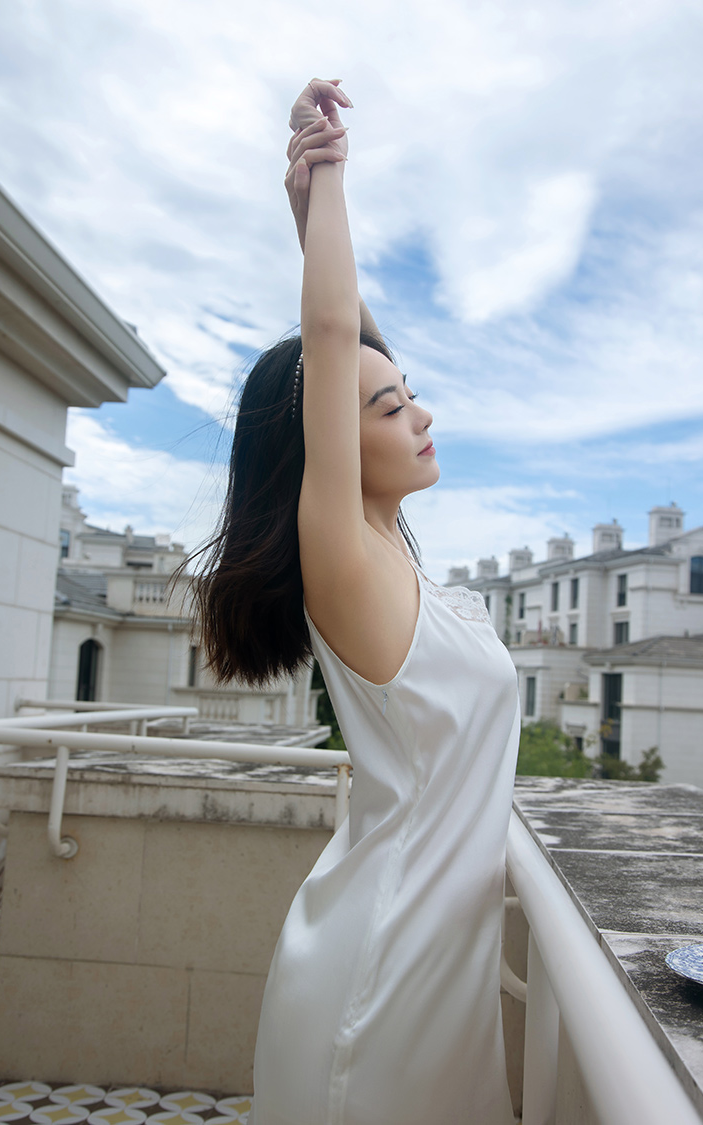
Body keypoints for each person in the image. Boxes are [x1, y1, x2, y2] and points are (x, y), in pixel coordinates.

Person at [196, 79, 520, 1125]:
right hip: (382, 976)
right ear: (335, 439)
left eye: (410, 391)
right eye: (388, 407)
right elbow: (333, 337)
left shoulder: (394, 555)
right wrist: (330, 171)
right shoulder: (342, 555)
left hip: (429, 957)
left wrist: (305, 215)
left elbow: (352, 335)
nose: (420, 415)